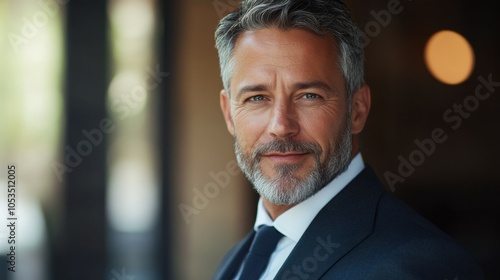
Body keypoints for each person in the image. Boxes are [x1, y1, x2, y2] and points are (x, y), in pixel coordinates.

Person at [212, 0, 483, 279]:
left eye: (309, 96)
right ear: (229, 113)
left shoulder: (421, 266)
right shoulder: (235, 263)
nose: (281, 126)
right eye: (257, 98)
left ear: (357, 110)